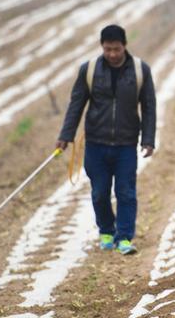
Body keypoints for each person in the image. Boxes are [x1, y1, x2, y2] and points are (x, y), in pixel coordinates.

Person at [56, 24, 156, 254]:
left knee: (126, 192)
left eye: (116, 49)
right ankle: (106, 231)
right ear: (102, 47)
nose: (112, 54)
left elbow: (149, 107)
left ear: (124, 46)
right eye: (108, 49)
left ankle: (124, 237)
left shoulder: (140, 70)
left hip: (126, 144)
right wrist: (65, 135)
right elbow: (76, 104)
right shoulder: (89, 70)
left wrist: (148, 139)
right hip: (96, 144)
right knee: (100, 192)